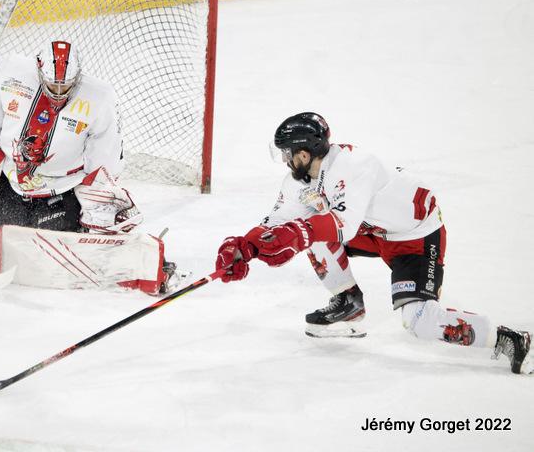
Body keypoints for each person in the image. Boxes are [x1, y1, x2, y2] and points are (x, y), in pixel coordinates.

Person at [216, 112, 532, 375]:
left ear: (303, 153)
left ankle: (510, 340)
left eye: (287, 153)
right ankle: (348, 303)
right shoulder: (301, 180)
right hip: (372, 231)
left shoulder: (354, 166)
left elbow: (342, 224)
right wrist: (245, 247)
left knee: (419, 322)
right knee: (308, 231)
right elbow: (277, 223)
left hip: (415, 237)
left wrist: (297, 233)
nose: (285, 160)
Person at [0, 40, 176, 293]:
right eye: (53, 84)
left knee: (57, 228)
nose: (59, 92)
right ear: (39, 70)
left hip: (60, 195)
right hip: (10, 186)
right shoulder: (9, 73)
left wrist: (99, 203)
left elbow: (104, 164)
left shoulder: (100, 98)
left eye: (66, 85)